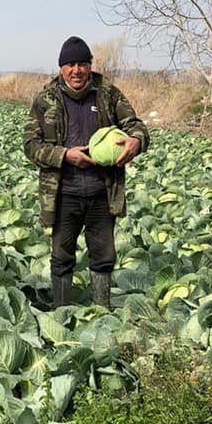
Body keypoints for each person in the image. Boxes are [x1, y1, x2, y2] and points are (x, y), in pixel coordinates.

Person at [23, 36, 148, 309]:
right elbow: (31, 146)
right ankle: (61, 313)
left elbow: (136, 125)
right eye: (70, 64)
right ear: (61, 68)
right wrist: (65, 155)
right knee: (61, 257)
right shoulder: (46, 99)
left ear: (90, 66)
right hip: (63, 193)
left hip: (102, 192)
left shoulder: (108, 94)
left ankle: (102, 312)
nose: (76, 70)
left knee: (103, 256)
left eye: (82, 63)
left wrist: (136, 142)